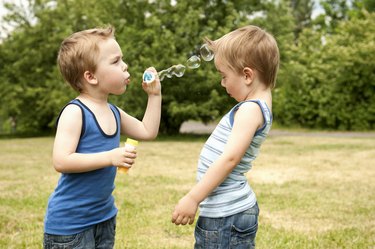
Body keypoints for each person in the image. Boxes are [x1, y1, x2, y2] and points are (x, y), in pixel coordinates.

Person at [43, 26, 161, 249]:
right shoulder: (75, 112)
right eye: (116, 61)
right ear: (91, 76)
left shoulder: (114, 112)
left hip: (104, 217)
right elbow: (62, 161)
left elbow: (147, 131)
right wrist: (110, 157)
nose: (125, 65)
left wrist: (154, 96)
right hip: (70, 226)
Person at [172, 25, 279, 249]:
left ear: (247, 75)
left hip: (225, 216)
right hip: (228, 213)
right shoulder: (258, 105)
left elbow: (229, 159)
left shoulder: (250, 109)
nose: (222, 83)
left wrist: (193, 198)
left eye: (224, 76)